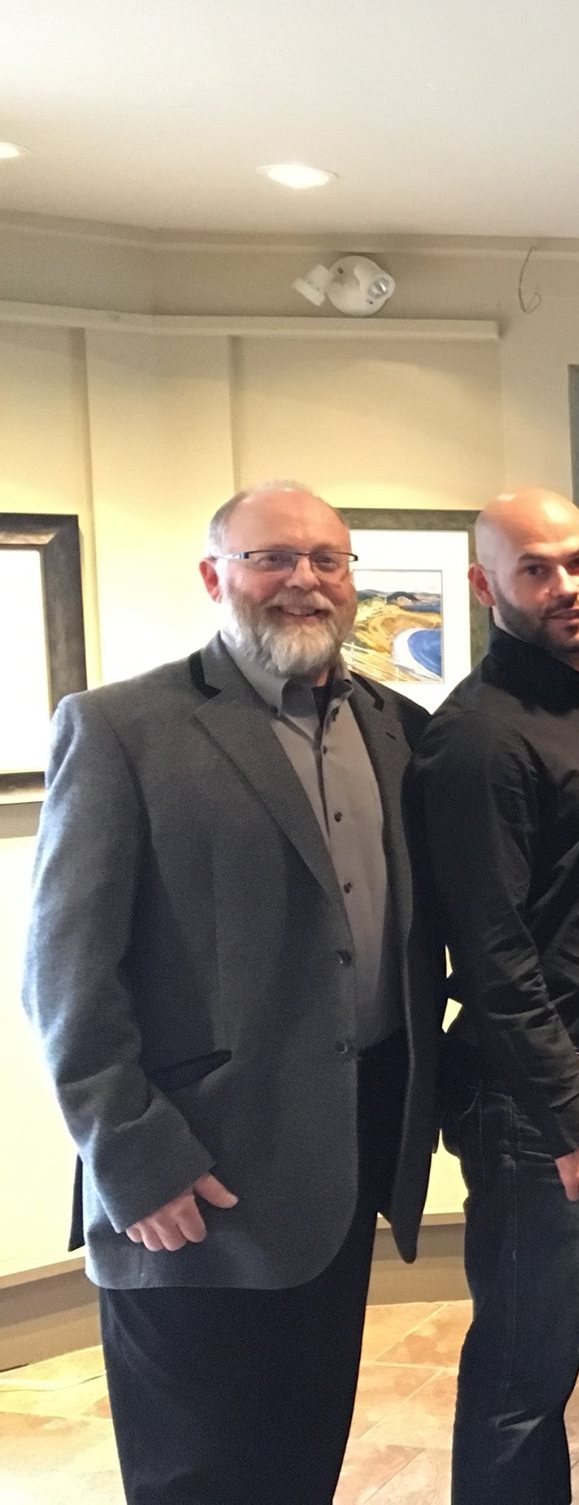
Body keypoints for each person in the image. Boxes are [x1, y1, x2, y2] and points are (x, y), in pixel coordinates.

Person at [21, 482, 443, 1504]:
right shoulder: (125, 728)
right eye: (272, 559)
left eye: (326, 561)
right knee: (197, 1476)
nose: (303, 581)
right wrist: (134, 1158)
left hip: (342, 1162)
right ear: (216, 576)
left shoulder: (394, 726)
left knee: (303, 1455)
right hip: (193, 1184)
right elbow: (63, 973)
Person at [412, 488, 579, 1505]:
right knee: (521, 1369)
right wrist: (572, 1113)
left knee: (558, 1342)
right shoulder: (476, 737)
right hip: (537, 1092)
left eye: (576, 563)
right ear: (485, 585)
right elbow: (492, 951)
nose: (564, 586)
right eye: (533, 569)